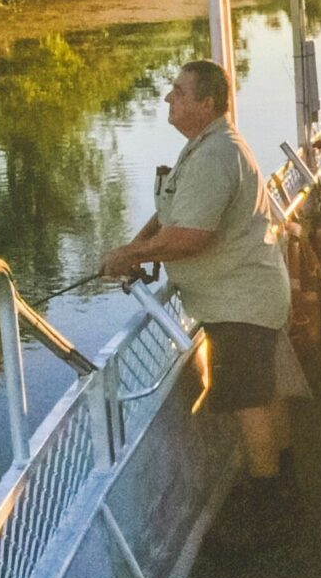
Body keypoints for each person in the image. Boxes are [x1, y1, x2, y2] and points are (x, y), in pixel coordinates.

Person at [102, 60, 295, 515]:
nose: (169, 98)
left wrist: (130, 256)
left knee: (252, 403)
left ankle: (269, 508)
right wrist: (138, 244)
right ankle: (283, 482)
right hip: (244, 296)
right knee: (264, 395)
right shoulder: (204, 146)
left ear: (206, 103)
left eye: (179, 92)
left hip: (240, 302)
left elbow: (191, 237)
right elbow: (173, 214)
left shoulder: (214, 155)